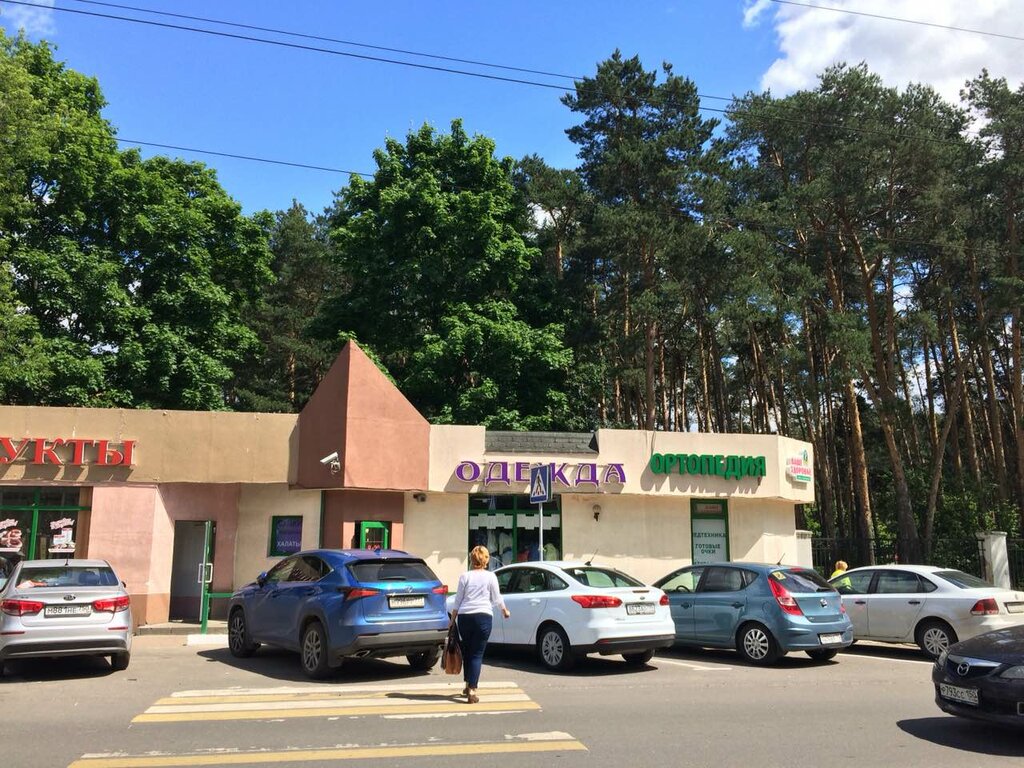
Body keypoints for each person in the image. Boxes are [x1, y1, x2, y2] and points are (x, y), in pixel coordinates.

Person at [450, 545, 510, 704]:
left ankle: (467, 684)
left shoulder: (465, 576)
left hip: (465, 618)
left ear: (472, 559)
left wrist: (452, 619)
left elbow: (458, 600)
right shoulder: (491, 577)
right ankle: (472, 689)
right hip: (483, 617)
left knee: (467, 652)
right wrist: (504, 610)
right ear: (486, 560)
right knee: (476, 654)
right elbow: (497, 598)